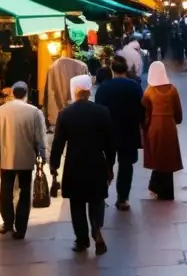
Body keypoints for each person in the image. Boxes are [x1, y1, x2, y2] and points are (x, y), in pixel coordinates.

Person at [50, 74, 116, 255]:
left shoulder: (65, 114)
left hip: (74, 165)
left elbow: (58, 143)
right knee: (97, 200)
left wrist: (54, 165)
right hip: (96, 163)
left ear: (74, 91)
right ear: (89, 91)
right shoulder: (102, 112)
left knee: (77, 204)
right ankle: (96, 227)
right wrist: (110, 164)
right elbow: (110, 143)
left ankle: (82, 239)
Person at [0, 81, 47, 239]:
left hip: (6, 159)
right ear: (26, 94)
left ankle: (7, 222)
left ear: (12, 93)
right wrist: (43, 155)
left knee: (5, 191)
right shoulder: (34, 112)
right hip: (27, 159)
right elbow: (40, 137)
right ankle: (21, 228)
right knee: (25, 193)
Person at [95, 55, 144, 210]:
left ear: (112, 69)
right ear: (126, 69)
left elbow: (98, 110)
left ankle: (101, 196)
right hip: (129, 132)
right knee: (126, 166)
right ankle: (123, 198)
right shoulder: (135, 86)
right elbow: (142, 109)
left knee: (106, 164)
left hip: (108, 132)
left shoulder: (104, 88)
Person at [142, 61, 183, 200]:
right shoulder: (172, 90)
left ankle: (156, 187)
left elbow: (145, 114)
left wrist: (144, 127)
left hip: (154, 126)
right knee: (168, 157)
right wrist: (175, 120)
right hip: (169, 126)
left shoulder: (149, 92)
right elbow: (178, 112)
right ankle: (165, 190)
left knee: (158, 156)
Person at [42, 39, 88, 128]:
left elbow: (49, 93)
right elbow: (87, 90)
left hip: (58, 117)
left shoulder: (52, 67)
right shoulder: (82, 66)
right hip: (80, 115)